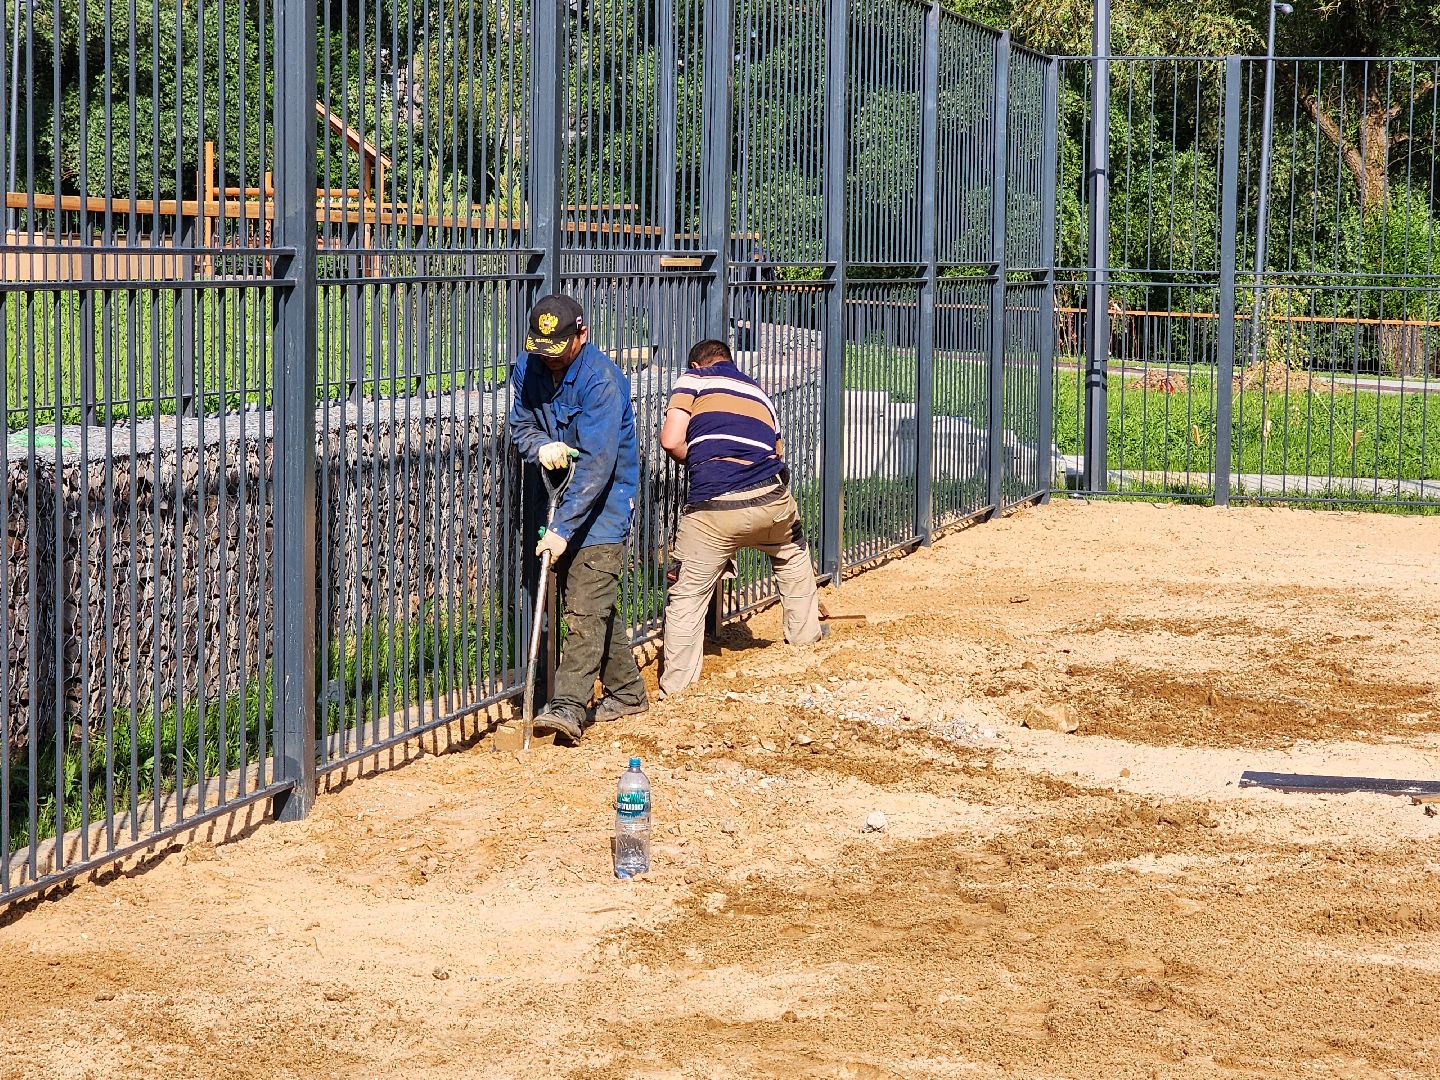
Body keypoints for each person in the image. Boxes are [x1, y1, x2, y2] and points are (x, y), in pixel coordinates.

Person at [508, 294, 650, 744]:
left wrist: (562, 529)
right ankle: (628, 692)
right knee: (591, 602)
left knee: (584, 609)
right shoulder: (528, 366)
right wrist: (538, 447)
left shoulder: (601, 382)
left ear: (582, 335)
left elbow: (596, 465)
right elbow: (520, 425)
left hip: (605, 503)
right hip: (559, 499)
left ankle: (567, 706)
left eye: (558, 351)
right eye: (541, 350)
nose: (548, 362)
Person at [658, 338, 824, 697]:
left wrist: (703, 458)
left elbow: (671, 440)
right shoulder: (759, 392)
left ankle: (678, 689)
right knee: (793, 556)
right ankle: (806, 645)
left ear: (697, 364)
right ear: (729, 360)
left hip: (714, 510)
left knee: (687, 594)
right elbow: (776, 451)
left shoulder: (694, 380)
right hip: (772, 499)